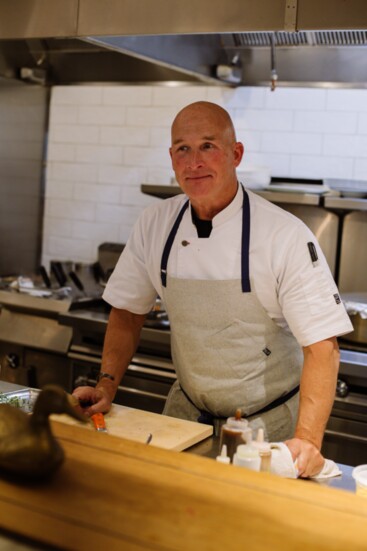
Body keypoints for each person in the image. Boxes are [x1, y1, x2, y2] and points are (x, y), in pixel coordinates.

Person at [73, 101, 353, 477]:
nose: (194, 162)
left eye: (208, 146)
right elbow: (127, 311)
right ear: (171, 158)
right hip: (187, 420)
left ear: (235, 154)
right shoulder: (155, 223)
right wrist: (106, 384)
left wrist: (307, 441)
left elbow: (322, 346)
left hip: (268, 431)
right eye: (182, 149)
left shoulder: (283, 235)